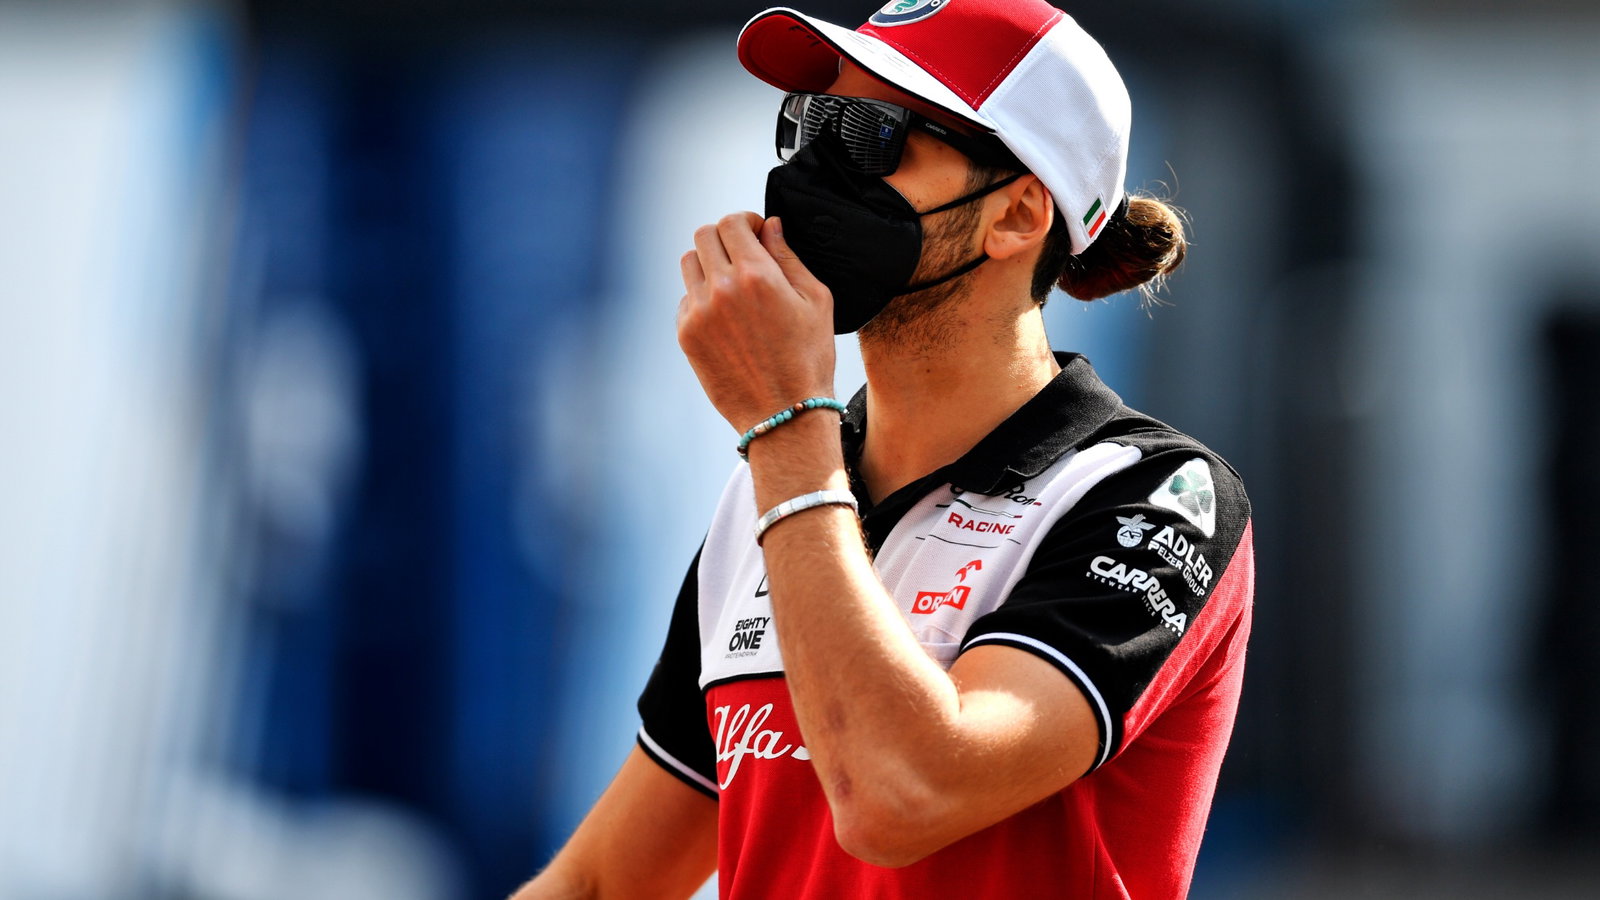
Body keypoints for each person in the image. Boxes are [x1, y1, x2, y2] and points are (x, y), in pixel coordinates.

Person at [516, 1, 1254, 897]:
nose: (816, 169)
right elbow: (600, 884)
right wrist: (789, 454)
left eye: (872, 135)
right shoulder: (776, 495)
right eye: (810, 123)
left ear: (1017, 215)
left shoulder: (1151, 494)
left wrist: (786, 427)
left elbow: (899, 796)